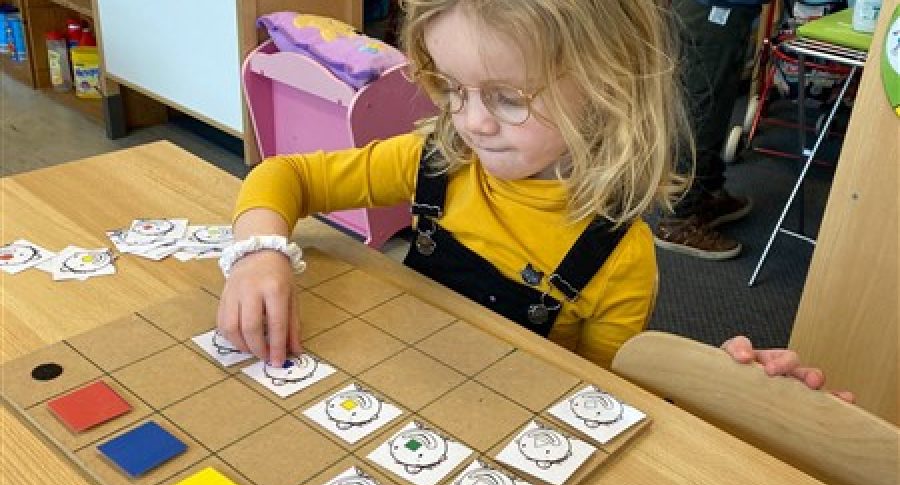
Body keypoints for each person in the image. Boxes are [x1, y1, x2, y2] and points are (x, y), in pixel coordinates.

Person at [216, 0, 846, 397]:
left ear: (606, 87)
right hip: (398, 383)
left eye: (507, 97)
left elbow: (606, 400)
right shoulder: (434, 160)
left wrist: (722, 394)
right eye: (453, 87)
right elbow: (287, 177)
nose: (472, 123)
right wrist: (259, 251)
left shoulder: (617, 257)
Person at [653, 0, 767, 260]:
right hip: (713, 10)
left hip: (723, 10)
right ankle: (678, 220)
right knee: (701, 113)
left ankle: (705, 195)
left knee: (713, 106)